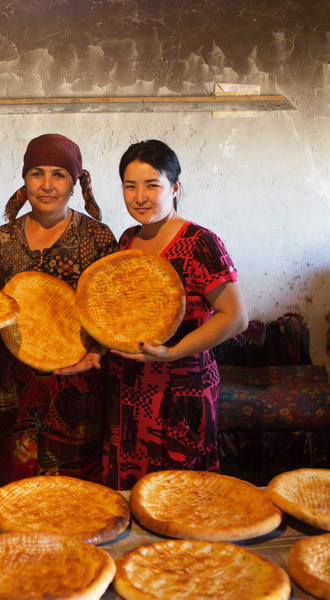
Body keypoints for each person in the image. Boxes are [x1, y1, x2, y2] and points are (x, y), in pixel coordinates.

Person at [102, 139, 248, 490]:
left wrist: (172, 352)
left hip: (181, 389)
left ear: (175, 187)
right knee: (129, 496)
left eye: (152, 185)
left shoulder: (199, 241)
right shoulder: (127, 241)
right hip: (128, 386)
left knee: (181, 499)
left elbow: (236, 316)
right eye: (130, 186)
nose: (140, 197)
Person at [0, 133, 118, 484]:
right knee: (16, 483)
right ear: (25, 179)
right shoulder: (3, 238)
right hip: (13, 382)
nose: (46, 185)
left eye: (58, 174)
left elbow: (112, 311)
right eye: (37, 173)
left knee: (74, 488)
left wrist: (97, 352)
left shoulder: (98, 238)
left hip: (77, 384)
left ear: (75, 182)